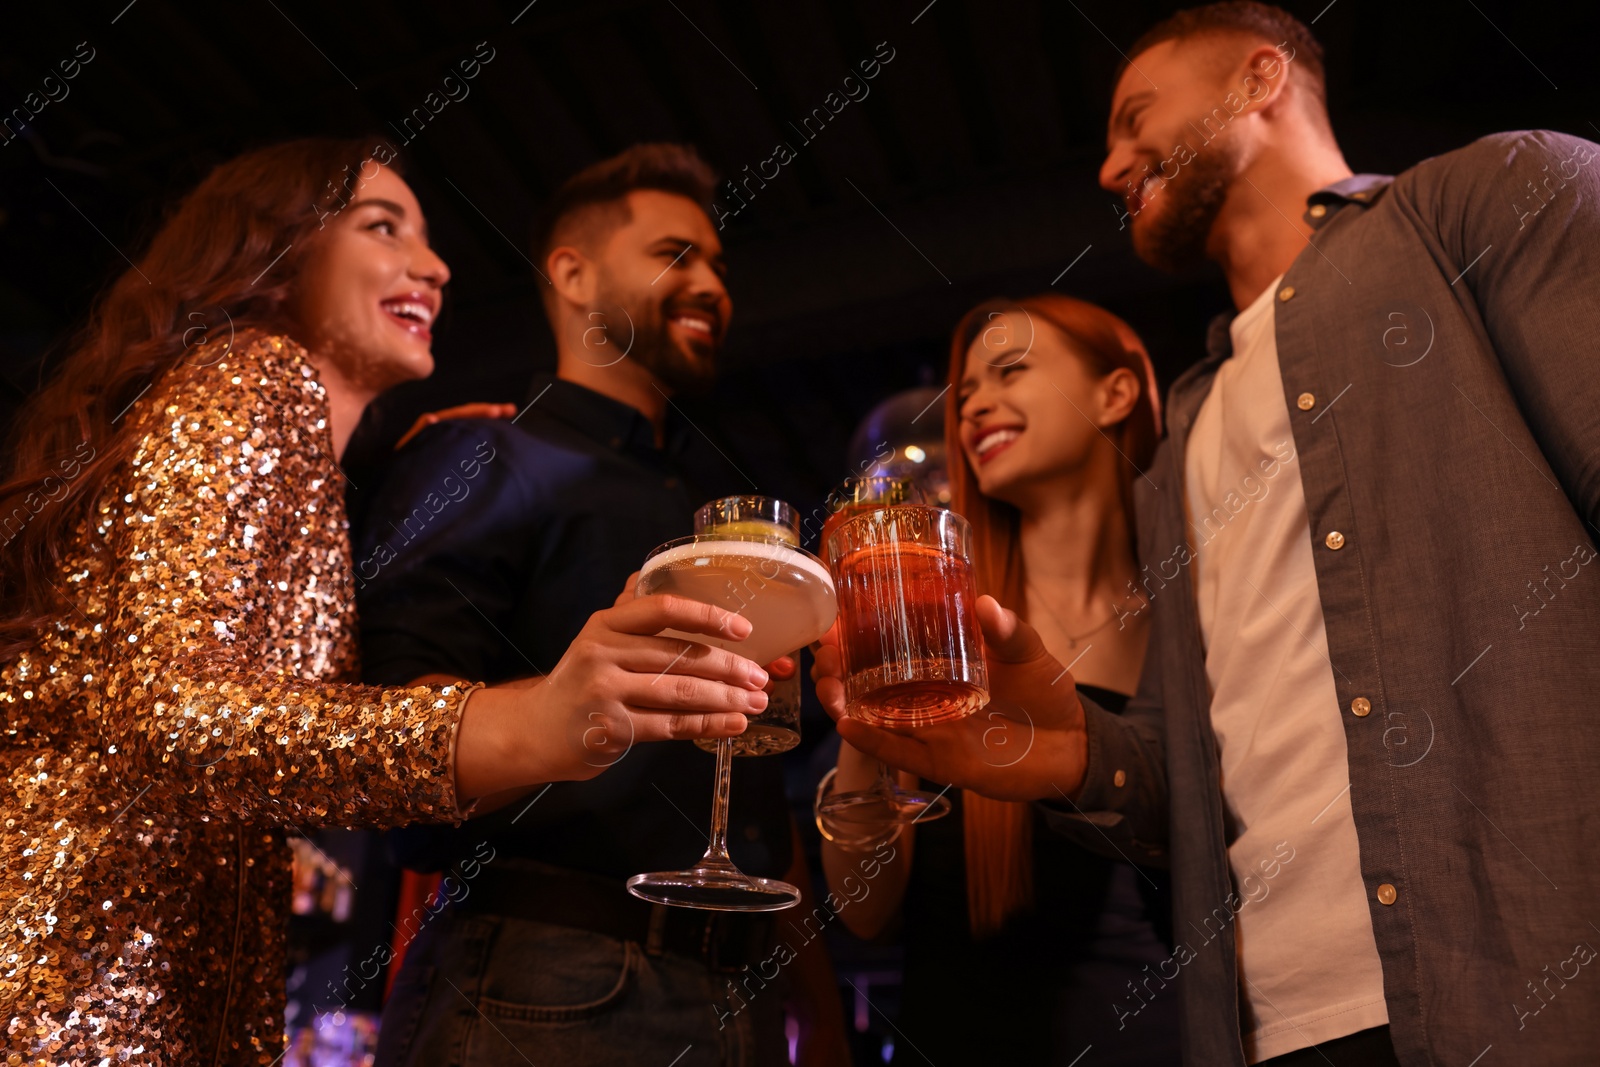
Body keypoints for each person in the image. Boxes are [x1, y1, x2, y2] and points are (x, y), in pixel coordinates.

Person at [819, 3, 1600, 1065]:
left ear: (1259, 79)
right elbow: (1183, 780)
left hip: (1521, 989)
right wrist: (1050, 749)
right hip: (1265, 1024)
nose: (1107, 165)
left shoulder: (1481, 201)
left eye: (1136, 115)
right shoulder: (1188, 431)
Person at [0, 138, 773, 1067]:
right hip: (82, 972)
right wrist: (545, 718)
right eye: (382, 226)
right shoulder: (259, 378)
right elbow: (173, 719)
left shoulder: (308, 458)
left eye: (431, 238)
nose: (437, 266)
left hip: (148, 966)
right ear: (278, 253)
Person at [357, 144, 847, 1067]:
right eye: (676, 255)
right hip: (543, 979)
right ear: (573, 274)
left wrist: (816, 1014)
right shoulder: (478, 456)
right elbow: (389, 751)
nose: (710, 284)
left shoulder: (709, 500)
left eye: (718, 266)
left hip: (743, 994)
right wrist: (560, 713)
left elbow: (756, 792)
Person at [818, 294, 1181, 1064]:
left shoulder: (1195, 611)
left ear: (1116, 393)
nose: (974, 403)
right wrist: (862, 728)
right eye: (966, 390)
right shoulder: (939, 616)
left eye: (1009, 371)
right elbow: (864, 910)